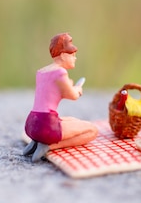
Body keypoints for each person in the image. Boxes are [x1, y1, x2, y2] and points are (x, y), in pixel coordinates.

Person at [23, 33, 98, 162]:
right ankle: (48, 145)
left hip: (31, 123)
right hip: (46, 125)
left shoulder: (41, 72)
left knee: (71, 119)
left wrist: (68, 85)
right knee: (92, 130)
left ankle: (36, 142)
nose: (75, 58)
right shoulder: (60, 72)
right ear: (63, 55)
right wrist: (78, 89)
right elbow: (73, 95)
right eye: (73, 54)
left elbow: (50, 92)